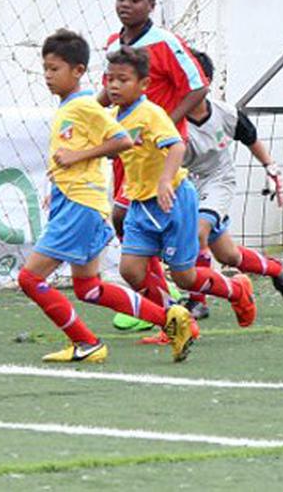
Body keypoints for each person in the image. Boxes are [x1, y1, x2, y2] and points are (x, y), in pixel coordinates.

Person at [17, 29, 187, 363]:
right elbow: (79, 151)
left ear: (78, 71)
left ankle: (86, 342)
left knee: (30, 277)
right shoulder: (72, 107)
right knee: (88, 288)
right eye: (45, 69)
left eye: (55, 69)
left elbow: (122, 140)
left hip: (80, 206)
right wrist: (59, 182)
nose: (48, 77)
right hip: (77, 201)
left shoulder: (84, 106)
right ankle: (171, 319)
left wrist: (75, 160)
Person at [107, 46, 257, 360]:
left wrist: (164, 181)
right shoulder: (115, 116)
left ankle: (236, 289)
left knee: (184, 276)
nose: (114, 86)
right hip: (139, 204)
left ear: (144, 85)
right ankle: (176, 322)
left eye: (122, 79)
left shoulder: (152, 114)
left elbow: (175, 145)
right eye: (110, 79)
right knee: (131, 271)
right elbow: (111, 147)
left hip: (173, 201)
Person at [98, 0, 209, 330]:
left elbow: (198, 86)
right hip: (129, 150)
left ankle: (170, 303)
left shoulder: (164, 42)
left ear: (151, 6)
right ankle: (161, 303)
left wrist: (167, 121)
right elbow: (106, 91)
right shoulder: (115, 43)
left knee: (135, 221)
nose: (126, 5)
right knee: (121, 220)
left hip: (162, 152)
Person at [173, 50, 283, 330]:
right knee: (228, 256)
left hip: (218, 181)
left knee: (197, 233)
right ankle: (278, 269)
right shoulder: (172, 117)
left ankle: (196, 301)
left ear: (204, 82)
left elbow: (250, 137)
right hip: (185, 184)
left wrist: (270, 166)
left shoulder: (226, 114)